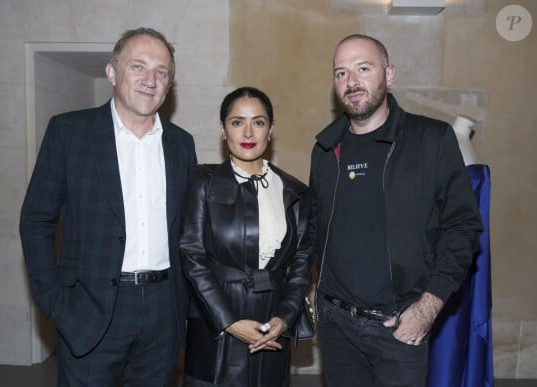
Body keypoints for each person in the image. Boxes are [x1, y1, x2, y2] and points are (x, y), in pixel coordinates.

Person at [19, 27, 197, 386]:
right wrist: (55, 302)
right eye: (138, 66)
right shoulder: (70, 132)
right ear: (112, 73)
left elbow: (190, 228)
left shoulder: (181, 144)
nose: (151, 80)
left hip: (164, 310)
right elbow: (35, 220)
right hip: (90, 309)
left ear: (169, 83)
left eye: (162, 72)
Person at [309, 34, 483, 387]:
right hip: (336, 326)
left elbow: (463, 226)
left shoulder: (431, 139)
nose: (352, 81)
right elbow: (316, 227)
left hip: (398, 327)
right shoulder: (325, 148)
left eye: (363, 68)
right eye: (341, 73)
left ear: (388, 75)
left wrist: (428, 305)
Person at [180, 86, 313, 386]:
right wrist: (229, 322)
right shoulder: (201, 181)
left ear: (271, 129)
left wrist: (283, 319)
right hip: (215, 322)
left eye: (259, 121)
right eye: (237, 122)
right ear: (223, 128)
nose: (248, 132)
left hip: (273, 325)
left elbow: (302, 264)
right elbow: (192, 256)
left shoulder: (294, 190)